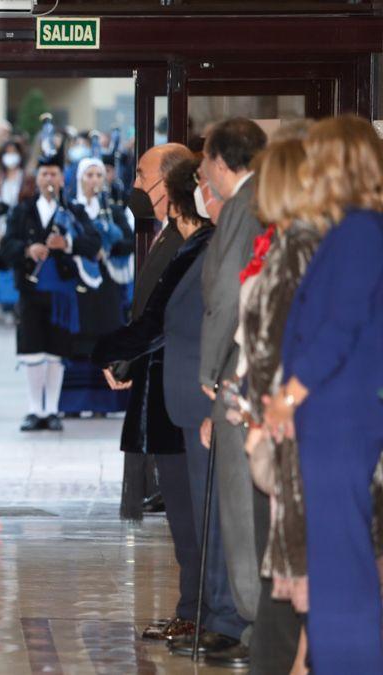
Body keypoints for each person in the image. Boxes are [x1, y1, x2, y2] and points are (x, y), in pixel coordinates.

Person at [94, 159, 247, 658]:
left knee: (207, 518)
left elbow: (181, 320)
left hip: (195, 395)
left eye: (143, 176)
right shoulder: (185, 241)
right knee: (192, 515)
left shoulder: (210, 243)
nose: (135, 185)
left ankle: (216, 615)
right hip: (174, 393)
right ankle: (202, 611)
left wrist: (104, 351)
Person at [265, 115, 383, 673]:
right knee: (331, 554)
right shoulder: (347, 230)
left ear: (339, 166)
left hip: (338, 410)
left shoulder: (360, 231)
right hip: (329, 411)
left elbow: (340, 324)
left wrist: (289, 393)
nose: (306, 169)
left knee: (339, 560)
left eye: (316, 157)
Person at [231, 136, 312, 674]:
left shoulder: (302, 249)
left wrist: (269, 409)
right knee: (278, 570)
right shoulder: (284, 243)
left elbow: (293, 343)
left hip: (291, 430)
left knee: (290, 571)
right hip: (268, 421)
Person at [198, 117, 268, 668]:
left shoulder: (246, 208)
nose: (200, 173)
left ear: (222, 162)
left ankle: (258, 624)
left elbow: (227, 293)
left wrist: (211, 371)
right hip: (246, 372)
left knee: (242, 510)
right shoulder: (253, 205)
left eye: (204, 162)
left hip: (240, 377)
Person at [107, 143, 193, 524]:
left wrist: (128, 356)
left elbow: (165, 313)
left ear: (168, 182)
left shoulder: (188, 238)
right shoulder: (167, 231)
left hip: (174, 376)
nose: (134, 184)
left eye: (142, 175)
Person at [0, 146, 101, 432]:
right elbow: (6, 247)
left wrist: (67, 245)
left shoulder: (73, 210)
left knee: (57, 352)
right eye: (44, 173)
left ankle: (52, 409)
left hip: (63, 295)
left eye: (53, 174)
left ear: (61, 179)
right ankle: (34, 409)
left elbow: (93, 244)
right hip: (31, 292)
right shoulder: (22, 211)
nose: (48, 179)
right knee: (32, 351)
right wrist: (27, 250)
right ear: (38, 176)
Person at [61, 157, 134, 417]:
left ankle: (104, 403)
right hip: (78, 285)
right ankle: (73, 403)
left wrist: (111, 244)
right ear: (80, 178)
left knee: (106, 338)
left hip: (107, 287)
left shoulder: (112, 210)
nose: (94, 180)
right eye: (89, 175)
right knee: (78, 342)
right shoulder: (70, 209)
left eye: (98, 175)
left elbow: (129, 241)